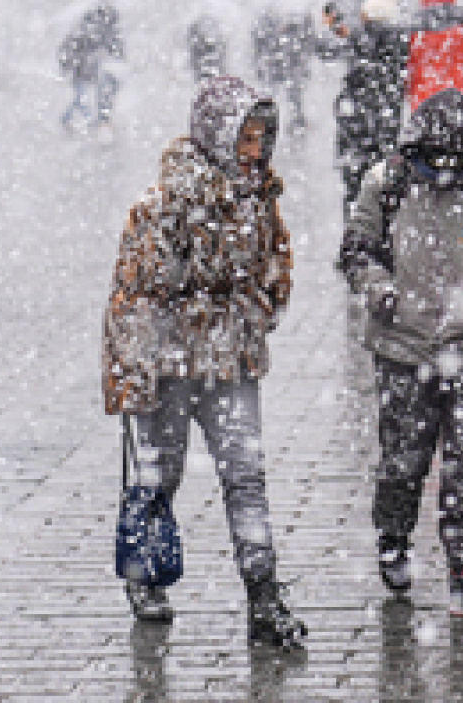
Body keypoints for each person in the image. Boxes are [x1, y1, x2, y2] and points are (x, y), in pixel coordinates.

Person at [101, 75, 307, 648]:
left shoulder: (260, 197)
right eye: (245, 138)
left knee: (246, 475)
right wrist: (134, 376)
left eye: (261, 139)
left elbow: (276, 263)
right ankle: (144, 576)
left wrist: (261, 304)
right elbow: (133, 294)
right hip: (168, 363)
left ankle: (263, 594)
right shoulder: (161, 204)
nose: (254, 151)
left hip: (232, 360)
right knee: (157, 476)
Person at [339, 89, 463, 620]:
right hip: (402, 347)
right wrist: (380, 291)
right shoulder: (387, 184)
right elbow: (358, 247)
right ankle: (394, 534)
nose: (442, 171)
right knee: (404, 458)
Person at [323, 0, 410, 215]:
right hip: (386, 133)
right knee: (385, 189)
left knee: (354, 192)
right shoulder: (403, 42)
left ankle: (355, 235)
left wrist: (331, 17)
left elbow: (327, 45)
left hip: (355, 134)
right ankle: (382, 236)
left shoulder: (359, 39)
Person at [59, 0, 125, 130]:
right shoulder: (96, 30)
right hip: (85, 70)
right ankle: (92, 121)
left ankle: (88, 121)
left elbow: (70, 48)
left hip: (86, 70)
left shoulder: (89, 28)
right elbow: (113, 48)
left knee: (83, 97)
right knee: (85, 97)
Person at [251, 3, 313, 133]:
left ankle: (290, 119)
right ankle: (292, 120)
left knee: (289, 94)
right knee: (288, 93)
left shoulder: (293, 23)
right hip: (283, 66)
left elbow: (305, 44)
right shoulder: (291, 22)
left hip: (283, 66)